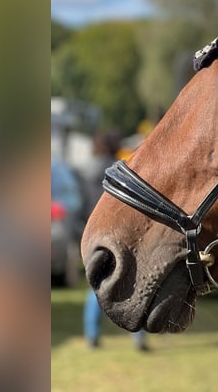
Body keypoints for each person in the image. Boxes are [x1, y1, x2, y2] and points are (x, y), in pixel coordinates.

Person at [80, 129, 148, 351]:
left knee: (96, 285)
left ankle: (92, 335)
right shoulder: (118, 169)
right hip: (118, 232)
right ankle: (138, 338)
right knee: (133, 284)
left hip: (92, 233)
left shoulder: (86, 170)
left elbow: (81, 204)